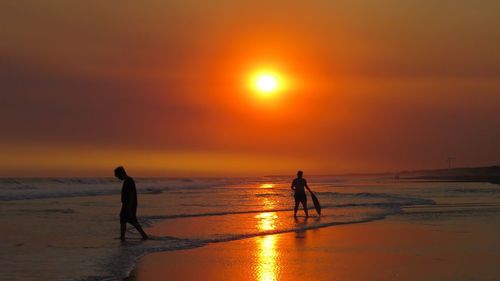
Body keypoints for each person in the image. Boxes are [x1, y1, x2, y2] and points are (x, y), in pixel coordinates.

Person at [114, 166, 149, 240]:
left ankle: (144, 235)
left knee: (131, 220)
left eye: (118, 176)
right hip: (127, 204)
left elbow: (132, 194)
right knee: (124, 219)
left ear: (121, 174)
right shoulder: (127, 181)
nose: (118, 178)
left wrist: (130, 207)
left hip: (129, 205)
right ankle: (123, 236)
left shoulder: (129, 181)